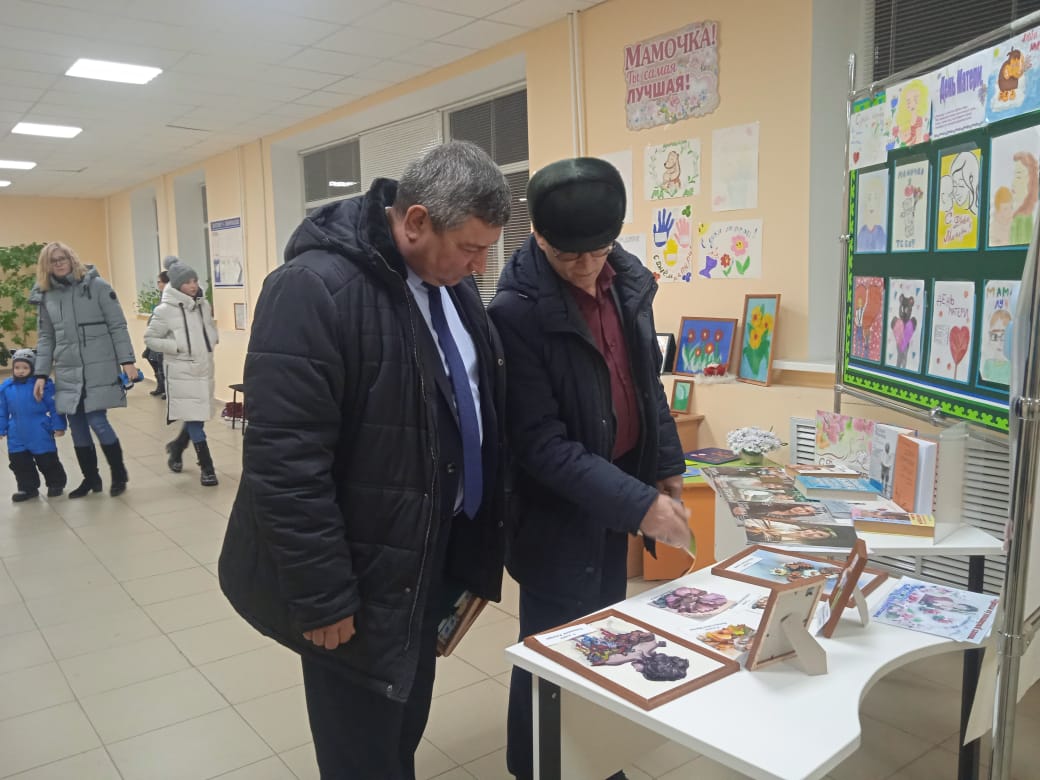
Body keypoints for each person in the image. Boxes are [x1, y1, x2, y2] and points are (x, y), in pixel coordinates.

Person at [218, 141, 511, 780]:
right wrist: (323, 597)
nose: (481, 265)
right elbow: (285, 464)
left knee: (403, 724)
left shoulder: (452, 286)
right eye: (471, 248)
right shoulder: (312, 289)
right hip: (354, 573)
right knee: (360, 751)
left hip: (424, 557)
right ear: (416, 222)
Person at [487, 157, 692, 780]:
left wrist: (664, 463)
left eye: (595, 252)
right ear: (538, 236)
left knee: (608, 636)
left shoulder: (628, 283)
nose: (583, 268)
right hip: (555, 514)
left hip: (615, 492)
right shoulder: (516, 311)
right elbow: (541, 445)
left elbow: (645, 384)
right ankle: (538, 767)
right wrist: (639, 504)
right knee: (552, 651)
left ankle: (594, 761)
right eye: (566, 255)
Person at [30, 242, 136, 498]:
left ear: (71, 259)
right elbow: (46, 337)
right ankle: (91, 479)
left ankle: (119, 474)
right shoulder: (46, 295)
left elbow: (117, 326)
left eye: (62, 258)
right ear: (46, 266)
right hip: (67, 369)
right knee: (76, 425)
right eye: (53, 260)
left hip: (97, 365)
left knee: (97, 420)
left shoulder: (97, 286)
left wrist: (127, 361)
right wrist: (41, 374)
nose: (58, 263)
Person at [144, 256, 220, 487]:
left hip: (204, 368)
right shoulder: (165, 310)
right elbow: (150, 339)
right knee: (195, 420)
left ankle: (176, 448)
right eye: (187, 282)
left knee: (197, 415)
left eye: (195, 280)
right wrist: (177, 346)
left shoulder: (203, 305)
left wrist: (212, 339)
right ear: (177, 285)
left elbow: (209, 329)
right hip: (182, 371)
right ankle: (207, 468)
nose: (193, 285)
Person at [0, 349, 67, 501]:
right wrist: (1, 428)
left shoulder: (42, 385)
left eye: (25, 367)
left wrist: (58, 425)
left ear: (33, 367)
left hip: (39, 430)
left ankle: (56, 483)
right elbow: (1, 410)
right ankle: (27, 488)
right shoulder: (7, 388)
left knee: (47, 460)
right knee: (19, 463)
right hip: (16, 432)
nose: (20, 371)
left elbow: (55, 407)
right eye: (17, 367)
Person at [142, 270, 169, 398]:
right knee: (150, 356)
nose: (158, 284)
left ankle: (168, 389)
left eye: (159, 282)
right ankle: (161, 384)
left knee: (163, 362)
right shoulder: (162, 296)